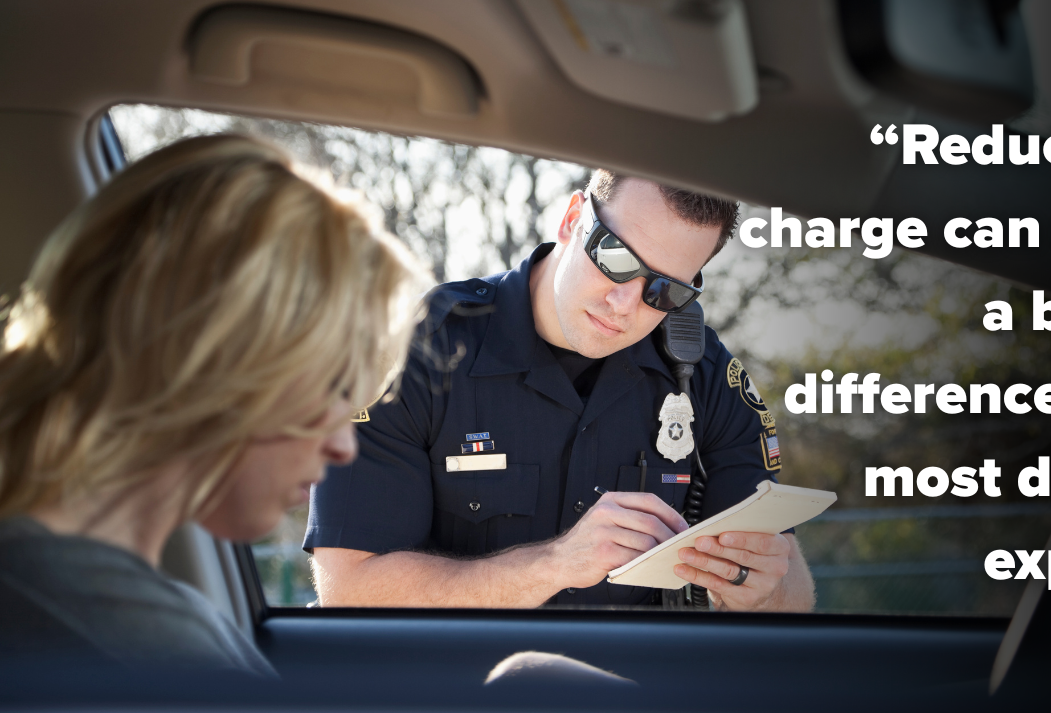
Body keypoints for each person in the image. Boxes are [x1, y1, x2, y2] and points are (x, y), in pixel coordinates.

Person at [0, 134, 424, 673]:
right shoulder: (134, 647)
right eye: (334, 387)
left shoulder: (92, 604)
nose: (344, 446)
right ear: (220, 359)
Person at [308, 170, 816, 611]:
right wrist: (552, 564)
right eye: (615, 258)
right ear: (573, 218)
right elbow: (349, 588)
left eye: (665, 290)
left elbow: (792, 587)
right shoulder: (410, 353)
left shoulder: (703, 374)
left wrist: (761, 588)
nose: (624, 303)